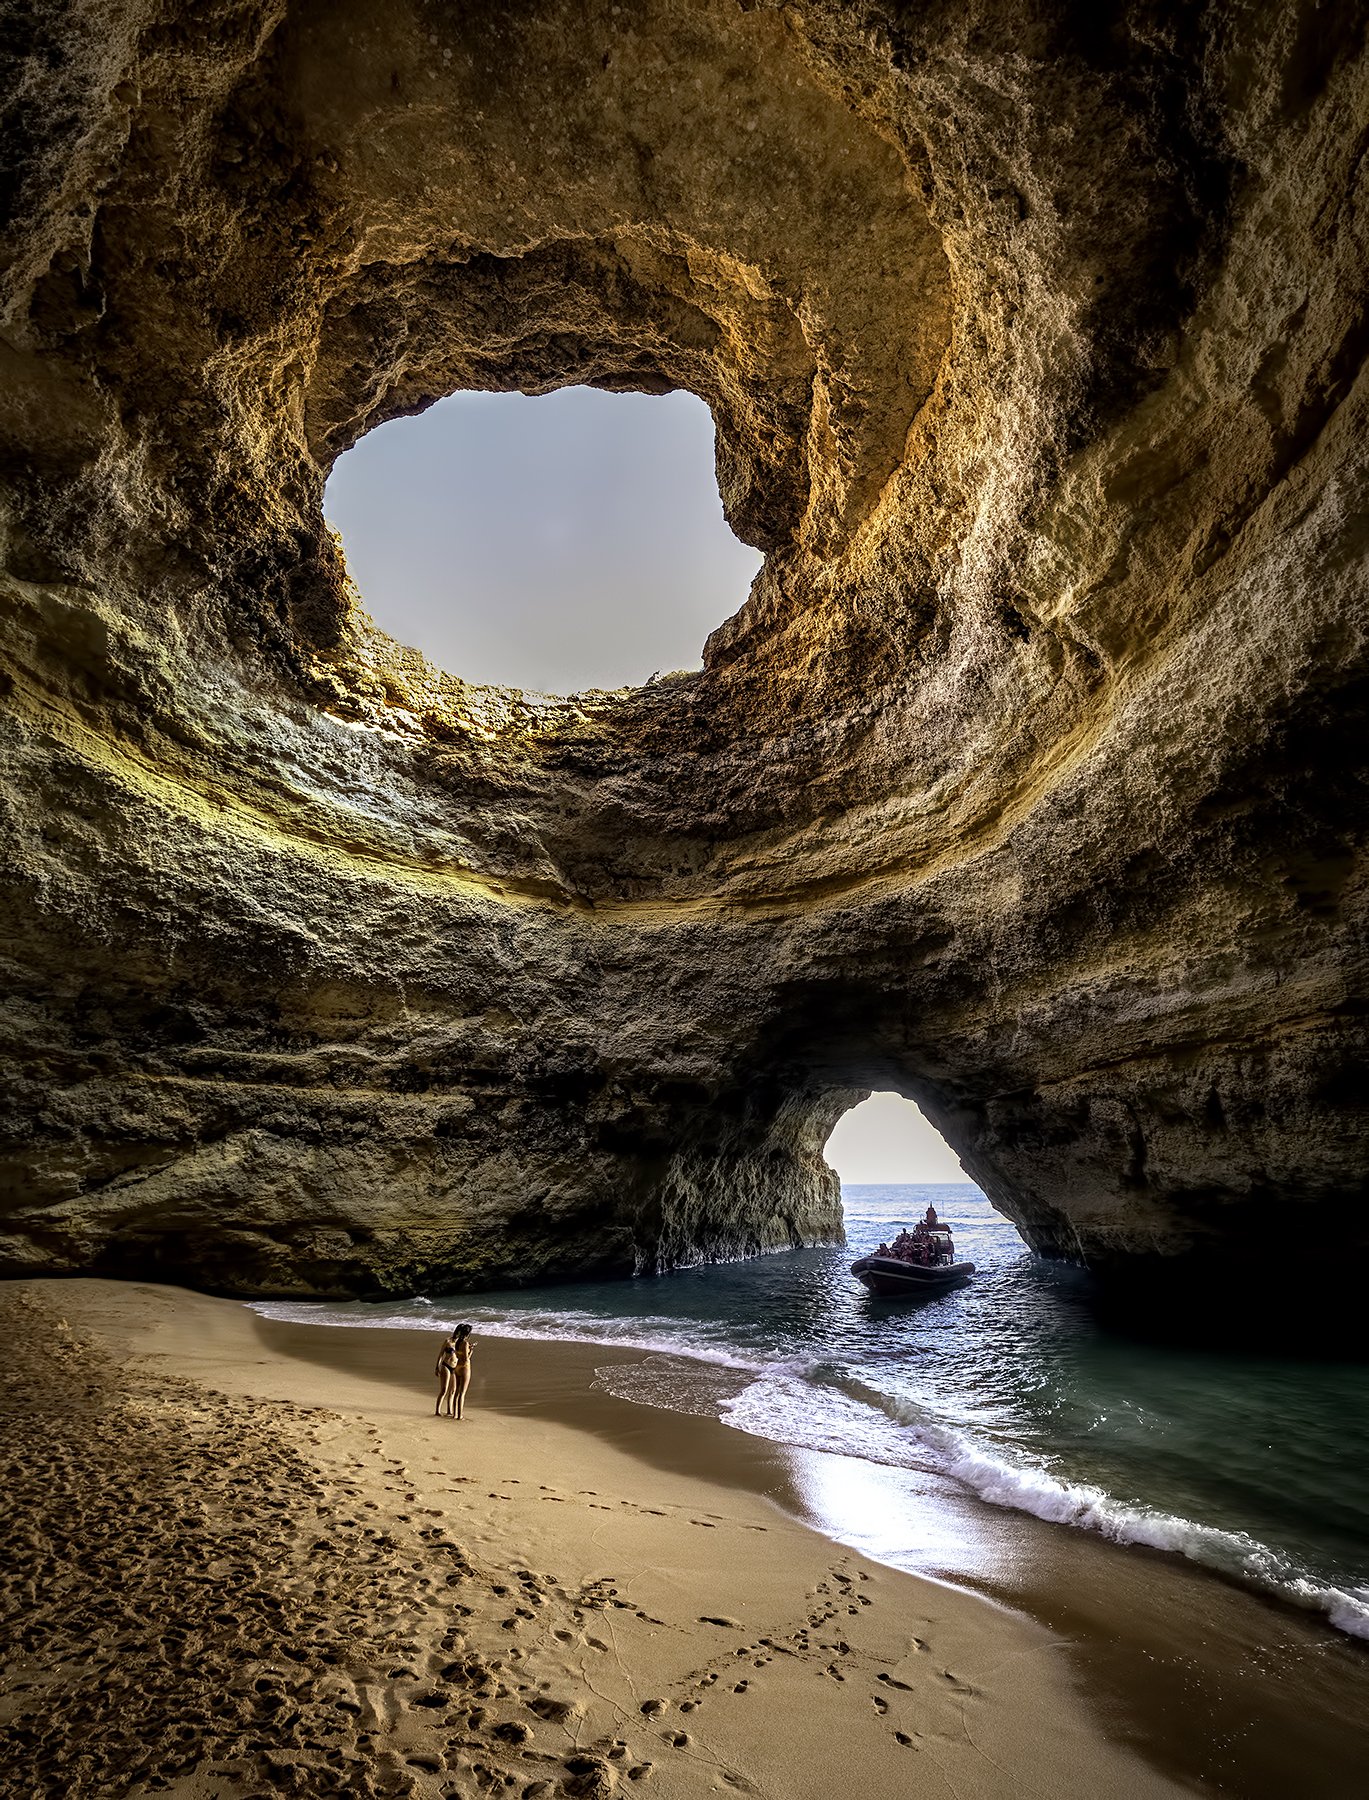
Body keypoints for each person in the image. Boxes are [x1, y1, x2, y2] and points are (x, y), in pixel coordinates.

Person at [434, 1324, 475, 1419]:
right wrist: (437, 1367)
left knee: (453, 1391)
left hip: (455, 1367)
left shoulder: (460, 1342)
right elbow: (441, 1354)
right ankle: (437, 1410)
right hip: (446, 1365)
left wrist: (469, 1348)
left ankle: (450, 1410)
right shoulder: (448, 1341)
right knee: (444, 1390)